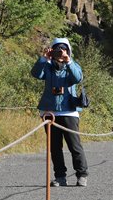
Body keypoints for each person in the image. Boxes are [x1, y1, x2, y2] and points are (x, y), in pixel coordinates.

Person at [32, 38, 88, 187]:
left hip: (69, 112)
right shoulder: (48, 67)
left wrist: (68, 60)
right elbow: (36, 74)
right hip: (50, 112)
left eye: (63, 50)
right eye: (57, 50)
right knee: (55, 148)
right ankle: (60, 176)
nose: (59, 53)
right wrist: (44, 58)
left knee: (74, 146)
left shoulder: (72, 66)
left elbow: (77, 78)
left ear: (68, 51)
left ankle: (82, 174)